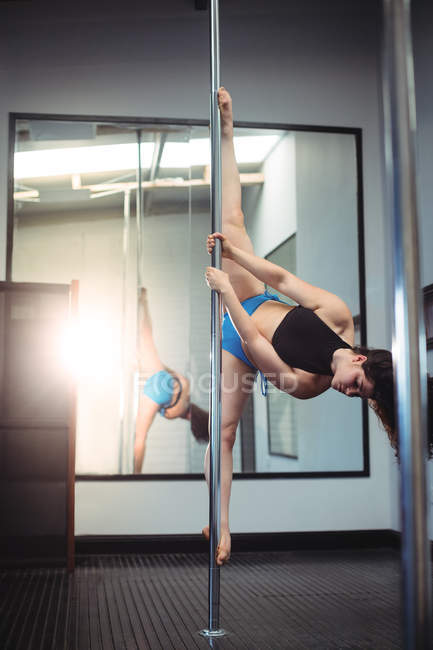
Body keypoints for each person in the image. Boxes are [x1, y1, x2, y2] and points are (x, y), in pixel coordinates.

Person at [203, 87, 433, 566]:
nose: (348, 393)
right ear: (359, 358)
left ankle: (224, 528)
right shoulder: (339, 316)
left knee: (225, 433)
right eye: (357, 386)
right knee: (233, 218)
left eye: (357, 396)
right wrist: (233, 253)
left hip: (241, 336)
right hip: (255, 298)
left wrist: (225, 293)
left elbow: (252, 344)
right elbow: (283, 279)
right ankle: (228, 130)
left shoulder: (310, 385)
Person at [133, 288, 208, 474]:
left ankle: (144, 302)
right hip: (160, 394)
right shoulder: (176, 413)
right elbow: (164, 411)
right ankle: (135, 475)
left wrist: (149, 366)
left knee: (147, 337)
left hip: (170, 379)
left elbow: (167, 372)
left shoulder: (188, 389)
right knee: (140, 437)